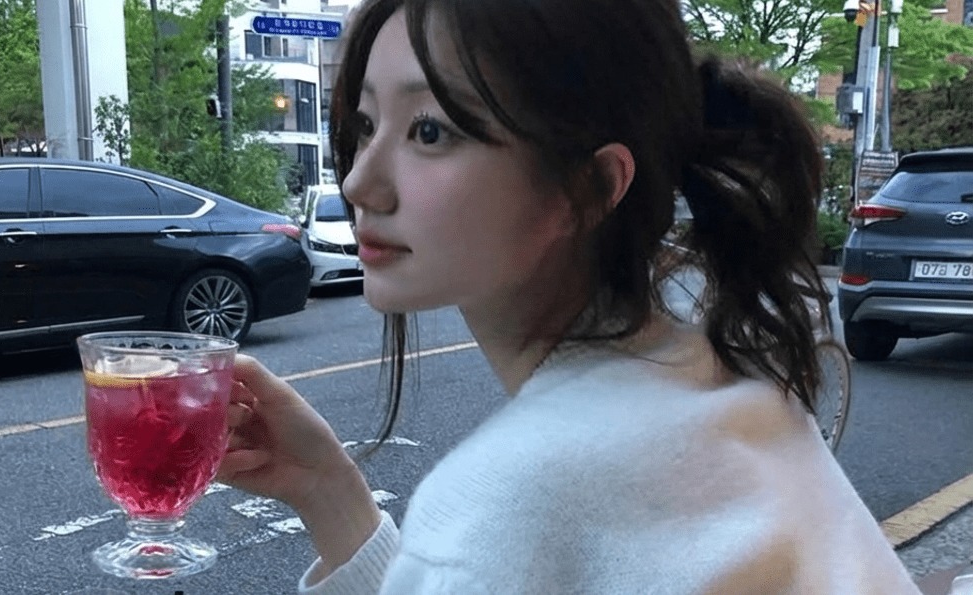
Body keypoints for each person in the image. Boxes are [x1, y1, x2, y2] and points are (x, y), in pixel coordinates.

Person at [217, 0, 922, 592]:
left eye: (430, 130)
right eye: (368, 125)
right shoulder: (729, 383)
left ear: (591, 186)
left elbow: (492, 556)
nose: (358, 183)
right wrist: (326, 487)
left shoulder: (517, 498)